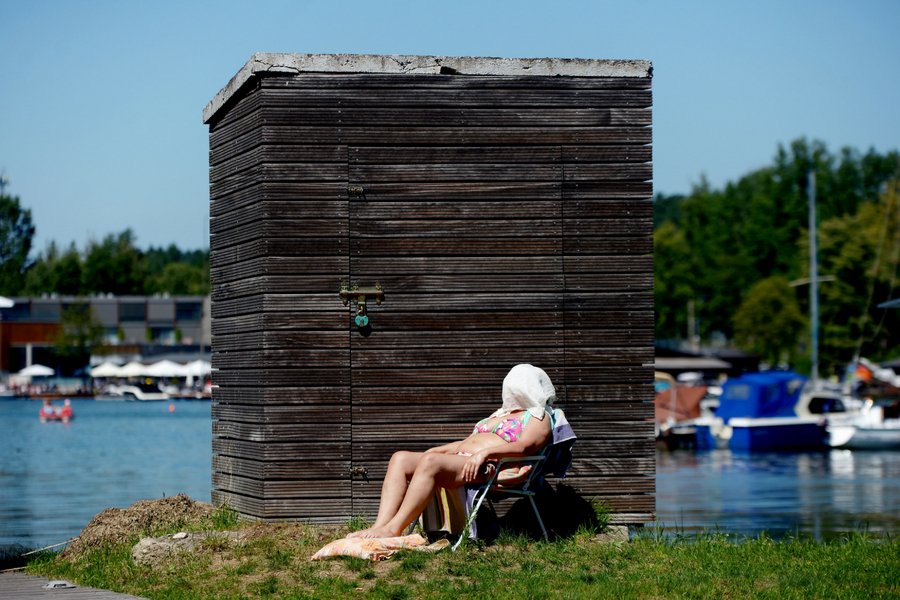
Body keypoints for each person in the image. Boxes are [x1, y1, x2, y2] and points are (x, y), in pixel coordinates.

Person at [347, 364, 556, 539]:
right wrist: (438, 449)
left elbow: (525, 446)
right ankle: (380, 525)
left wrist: (485, 454)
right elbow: (467, 443)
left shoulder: (538, 416)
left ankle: (394, 529)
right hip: (463, 459)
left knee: (431, 462)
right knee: (400, 458)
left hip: (490, 466)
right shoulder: (499, 415)